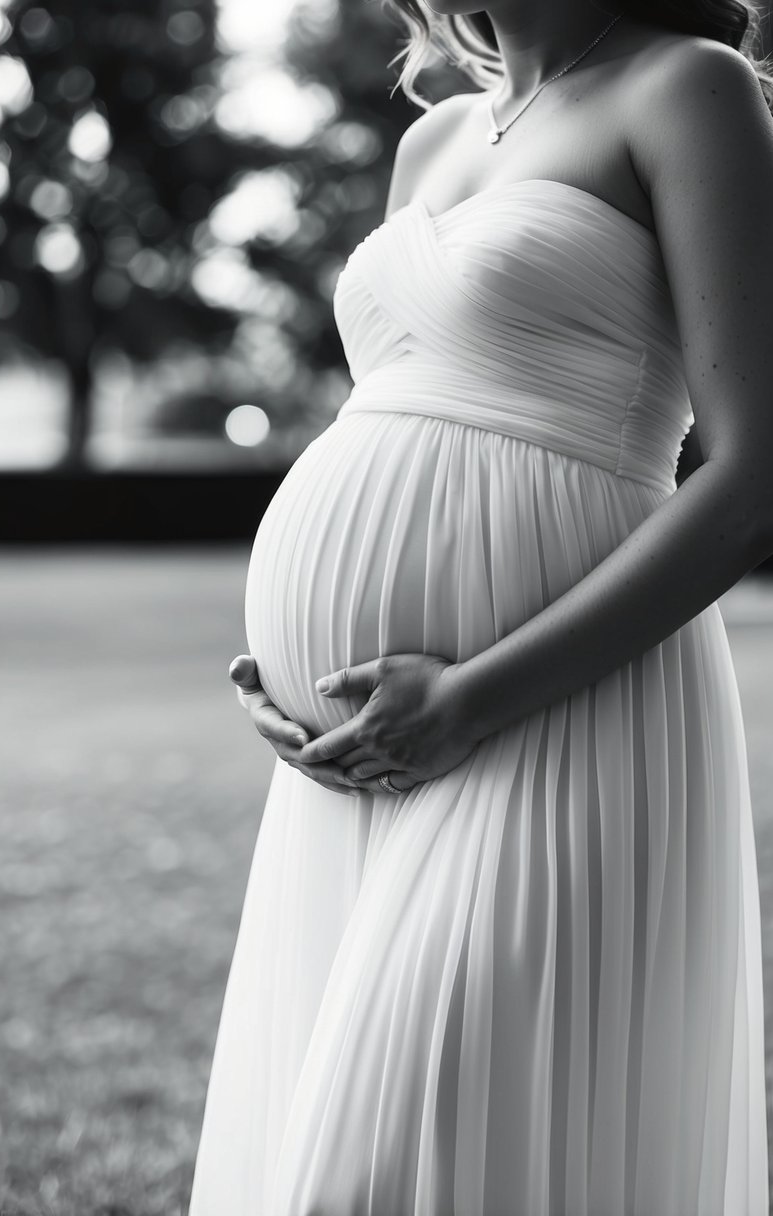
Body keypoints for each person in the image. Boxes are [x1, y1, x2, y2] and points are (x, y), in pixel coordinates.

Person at [189, 1, 773, 1211]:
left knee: (387, 1174)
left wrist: (467, 700)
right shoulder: (436, 138)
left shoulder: (689, 88)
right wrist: (289, 668)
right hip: (358, 755)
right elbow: (410, 400)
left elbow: (754, 476)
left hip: (560, 712)